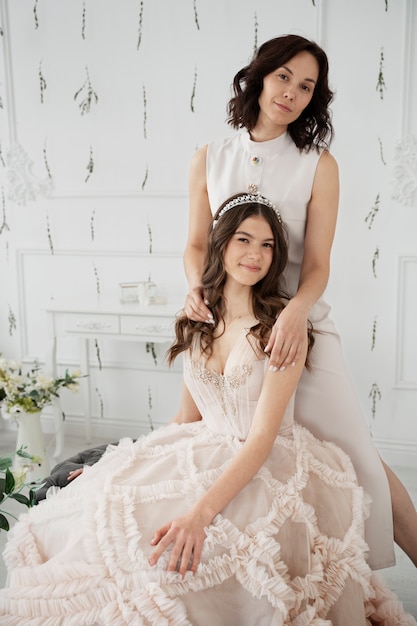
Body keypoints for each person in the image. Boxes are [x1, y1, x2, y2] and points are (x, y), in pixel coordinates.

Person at [1, 193, 415, 625]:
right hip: (200, 446)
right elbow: (185, 418)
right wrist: (113, 464)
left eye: (268, 245)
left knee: (182, 564)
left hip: (264, 463)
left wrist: (199, 515)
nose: (255, 254)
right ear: (220, 244)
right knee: (94, 514)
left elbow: (260, 440)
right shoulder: (199, 321)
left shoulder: (281, 329)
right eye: (243, 239)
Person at [183, 34, 417, 571]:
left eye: (306, 86)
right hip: (235, 330)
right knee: (237, 446)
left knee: (357, 457)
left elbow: (316, 267)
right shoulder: (209, 159)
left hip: (295, 324)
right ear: (259, 77)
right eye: (283, 76)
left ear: (314, 98)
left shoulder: (318, 165)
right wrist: (196, 287)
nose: (291, 92)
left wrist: (295, 314)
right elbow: (196, 244)